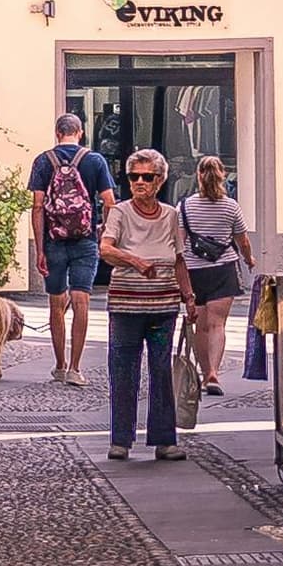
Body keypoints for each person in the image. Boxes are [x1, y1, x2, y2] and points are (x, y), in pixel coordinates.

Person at [96, 148, 192, 462]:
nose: (139, 182)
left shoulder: (170, 215)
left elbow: (179, 259)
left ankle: (164, 440)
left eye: (147, 177)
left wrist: (189, 298)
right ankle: (121, 440)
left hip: (164, 307)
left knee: (161, 371)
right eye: (134, 176)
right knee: (123, 371)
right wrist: (134, 260)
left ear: (160, 180)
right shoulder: (120, 212)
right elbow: (106, 249)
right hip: (125, 306)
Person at [30, 112, 115, 387]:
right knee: (81, 302)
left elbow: (38, 206)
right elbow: (109, 201)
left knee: (56, 304)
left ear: (57, 133)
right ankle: (76, 368)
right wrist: (103, 232)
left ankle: (59, 364)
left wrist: (39, 248)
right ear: (80, 133)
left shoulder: (44, 161)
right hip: (85, 241)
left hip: (54, 241)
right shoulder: (95, 161)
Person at [178, 155, 256, 399]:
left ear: (199, 176)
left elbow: (179, 243)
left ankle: (204, 372)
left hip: (194, 271)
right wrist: (248, 259)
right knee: (218, 325)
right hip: (223, 269)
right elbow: (242, 240)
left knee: (200, 327)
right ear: (222, 175)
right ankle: (214, 372)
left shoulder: (185, 206)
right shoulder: (230, 206)